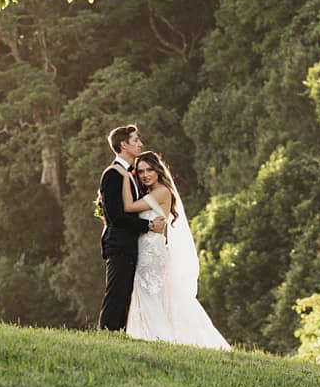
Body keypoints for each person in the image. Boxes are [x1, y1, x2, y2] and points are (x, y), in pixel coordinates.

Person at [120, 151, 230, 349]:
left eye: (149, 170)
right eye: (141, 171)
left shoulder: (161, 192)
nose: (145, 175)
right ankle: (151, 337)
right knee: (150, 294)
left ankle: (159, 339)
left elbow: (128, 207)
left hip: (152, 251)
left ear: (158, 170)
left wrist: (124, 177)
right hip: (146, 248)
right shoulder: (149, 193)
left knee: (150, 293)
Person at [98, 124, 166, 331]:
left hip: (131, 244)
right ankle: (107, 334)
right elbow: (117, 216)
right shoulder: (112, 174)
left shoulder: (132, 175)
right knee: (117, 293)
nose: (140, 144)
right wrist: (148, 225)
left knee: (125, 294)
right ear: (124, 144)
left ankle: (118, 333)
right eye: (135, 140)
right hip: (119, 244)